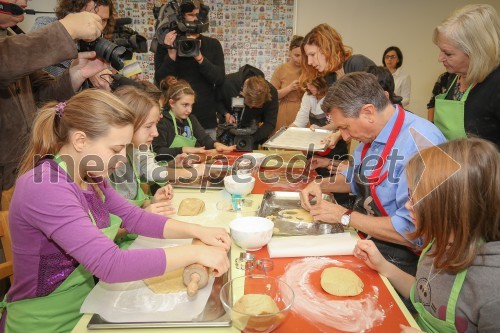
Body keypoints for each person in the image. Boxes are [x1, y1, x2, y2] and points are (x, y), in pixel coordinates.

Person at [1, 89, 231, 332]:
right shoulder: (46, 186)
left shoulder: (90, 176)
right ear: (80, 140)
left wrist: (199, 231)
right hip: (48, 322)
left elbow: (135, 217)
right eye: (115, 149)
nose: (122, 158)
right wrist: (195, 254)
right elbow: (109, 264)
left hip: (89, 304)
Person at [300, 72, 446, 276]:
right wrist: (320, 184)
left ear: (368, 112)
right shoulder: (368, 139)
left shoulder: (421, 143)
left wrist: (343, 216)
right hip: (368, 236)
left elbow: (414, 231)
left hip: (406, 258)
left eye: (345, 127)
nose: (344, 136)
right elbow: (356, 180)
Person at [354, 138, 500, 333]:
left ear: (452, 210)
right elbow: (423, 295)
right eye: (409, 196)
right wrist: (382, 265)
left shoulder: (492, 289)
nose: (407, 206)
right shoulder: (439, 242)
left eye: (417, 200)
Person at [0, 1, 107, 208]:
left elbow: (42, 97)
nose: (23, 3)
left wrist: (76, 75)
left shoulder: (11, 37)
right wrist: (66, 29)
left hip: (20, 175)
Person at [154, 0, 224, 140]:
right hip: (173, 121)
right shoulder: (167, 45)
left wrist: (199, 57)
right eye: (191, 15)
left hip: (206, 121)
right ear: (181, 16)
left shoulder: (212, 45)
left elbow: (219, 78)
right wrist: (171, 55)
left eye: (198, 15)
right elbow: (160, 81)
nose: (196, 19)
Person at [432, 4, 500, 146]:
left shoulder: (495, 85)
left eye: (448, 53)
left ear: (476, 52)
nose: (440, 58)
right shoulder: (452, 77)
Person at [30, 0, 114, 90]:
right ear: (72, 13)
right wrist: (87, 70)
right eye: (92, 17)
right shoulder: (46, 25)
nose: (99, 25)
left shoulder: (98, 40)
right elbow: (32, 53)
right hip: (48, 98)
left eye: (104, 20)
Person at [153, 78, 235, 161]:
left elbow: (204, 139)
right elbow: (158, 152)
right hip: (167, 170)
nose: (189, 110)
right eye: (185, 105)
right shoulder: (162, 121)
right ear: (172, 103)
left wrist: (216, 145)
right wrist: (184, 149)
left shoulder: (191, 119)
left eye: (191, 105)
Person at [217, 64, 279, 149]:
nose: (251, 108)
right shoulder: (228, 83)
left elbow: (270, 123)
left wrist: (252, 139)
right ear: (243, 92)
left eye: (256, 107)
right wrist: (225, 113)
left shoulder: (272, 92)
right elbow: (216, 101)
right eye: (249, 105)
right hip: (227, 135)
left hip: (253, 135)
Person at [271, 35, 304, 132]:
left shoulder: (309, 69)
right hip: (283, 113)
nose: (299, 59)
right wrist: (289, 88)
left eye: (303, 56)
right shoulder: (281, 69)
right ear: (289, 52)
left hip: (303, 113)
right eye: (296, 55)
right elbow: (272, 95)